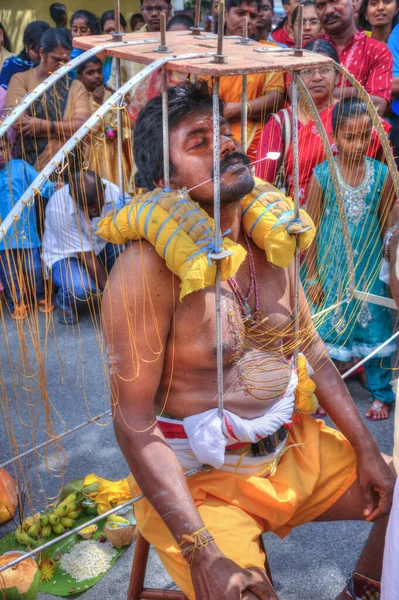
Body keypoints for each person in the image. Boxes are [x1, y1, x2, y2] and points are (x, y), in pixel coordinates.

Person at [102, 81, 395, 600]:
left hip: (289, 454)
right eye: (199, 141)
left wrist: (369, 451)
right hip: (204, 487)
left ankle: (364, 587)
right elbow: (132, 418)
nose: (226, 144)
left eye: (226, 132)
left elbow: (318, 358)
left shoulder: (270, 240)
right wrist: (202, 550)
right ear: (163, 183)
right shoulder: (145, 269)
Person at [305, 98, 395, 421]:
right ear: (335, 136)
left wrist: (391, 270)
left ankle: (381, 394)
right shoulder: (323, 175)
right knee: (325, 333)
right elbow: (309, 230)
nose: (357, 144)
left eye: (363, 136)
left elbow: (388, 227)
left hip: (369, 270)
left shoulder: (382, 175)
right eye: (349, 137)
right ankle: (320, 394)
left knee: (377, 331)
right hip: (331, 271)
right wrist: (313, 276)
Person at [201, 0, 285, 161]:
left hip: (259, 145)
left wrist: (237, 109)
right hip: (215, 142)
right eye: (240, 13)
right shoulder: (206, 53)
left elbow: (275, 99)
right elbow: (203, 101)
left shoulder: (269, 53)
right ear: (225, 14)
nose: (246, 20)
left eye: (252, 15)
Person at [42, 170, 123, 325]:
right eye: (86, 206)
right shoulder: (58, 208)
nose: (94, 211)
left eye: (97, 204)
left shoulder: (115, 192)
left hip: (101, 245)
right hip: (67, 255)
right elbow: (87, 257)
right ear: (72, 198)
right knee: (81, 287)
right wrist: (117, 305)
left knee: (130, 257)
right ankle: (63, 302)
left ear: (103, 190)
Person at [6, 27, 90, 172]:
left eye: (66, 61)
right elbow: (18, 122)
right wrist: (63, 130)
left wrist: (41, 125)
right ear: (42, 53)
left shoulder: (76, 87)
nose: (62, 66)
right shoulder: (20, 80)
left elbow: (82, 128)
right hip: (28, 172)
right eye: (56, 60)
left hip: (66, 171)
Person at [0, 140, 54, 320]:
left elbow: (40, 182)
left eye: (1, 148)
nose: (0, 153)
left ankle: (40, 296)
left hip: (27, 233)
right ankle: (18, 300)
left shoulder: (20, 166)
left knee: (35, 268)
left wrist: (53, 187)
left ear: (9, 147)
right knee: (9, 273)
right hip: (3, 238)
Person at [316, 0, 393, 116]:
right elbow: (298, 96)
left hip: (355, 133)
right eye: (321, 5)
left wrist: (323, 95)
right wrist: (357, 92)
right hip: (308, 132)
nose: (328, 10)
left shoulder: (378, 51)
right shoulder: (308, 50)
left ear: (355, 2)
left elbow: (376, 106)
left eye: (335, 1)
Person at [77, 57, 131, 186]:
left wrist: (119, 132)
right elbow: (87, 133)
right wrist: (97, 104)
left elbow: (127, 125)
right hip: (93, 155)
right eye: (90, 73)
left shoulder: (111, 97)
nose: (97, 76)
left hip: (116, 155)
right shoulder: (79, 100)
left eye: (99, 71)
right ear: (80, 78)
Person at [0, 21, 50, 113]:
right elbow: (3, 102)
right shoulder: (11, 65)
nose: (41, 56)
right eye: (36, 51)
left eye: (45, 51)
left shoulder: (53, 65)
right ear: (25, 45)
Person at [100, 10, 128, 88]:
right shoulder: (100, 56)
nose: (112, 34)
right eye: (108, 31)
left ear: (126, 29)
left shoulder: (132, 56)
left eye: (116, 30)